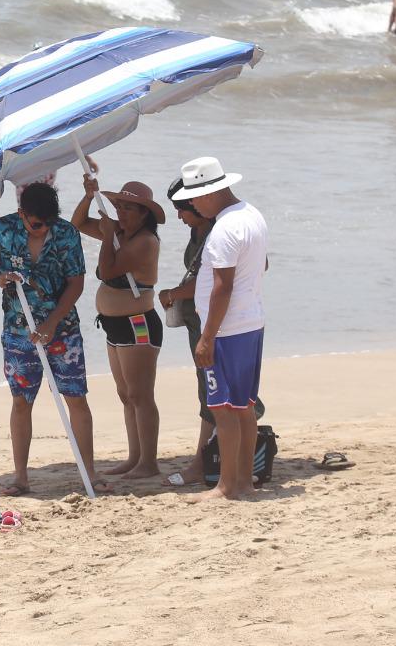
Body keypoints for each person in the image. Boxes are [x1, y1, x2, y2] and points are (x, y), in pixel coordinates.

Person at [0, 181, 92, 496]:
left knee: (76, 398)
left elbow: (76, 283)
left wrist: (52, 322)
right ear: (21, 213)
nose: (43, 230)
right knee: (21, 401)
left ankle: (89, 475)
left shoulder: (66, 233)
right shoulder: (0, 229)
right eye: (37, 224)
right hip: (18, 331)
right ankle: (21, 478)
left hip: (63, 330)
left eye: (48, 223)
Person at [171, 157, 268, 501]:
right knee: (243, 407)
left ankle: (227, 486)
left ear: (208, 193)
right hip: (250, 322)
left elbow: (222, 287)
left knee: (223, 408)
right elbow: (262, 265)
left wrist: (207, 337)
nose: (193, 206)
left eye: (194, 199)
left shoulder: (224, 230)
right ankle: (243, 482)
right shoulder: (252, 215)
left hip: (226, 330)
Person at [71, 172, 163, 479]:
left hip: (138, 324)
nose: (120, 212)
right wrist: (88, 196)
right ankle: (135, 457)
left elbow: (107, 268)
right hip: (114, 326)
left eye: (128, 208)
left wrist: (109, 232)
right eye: (119, 206)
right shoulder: (118, 233)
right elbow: (77, 224)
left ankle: (149, 461)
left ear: (144, 214)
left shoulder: (145, 242)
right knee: (125, 394)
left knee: (140, 394)